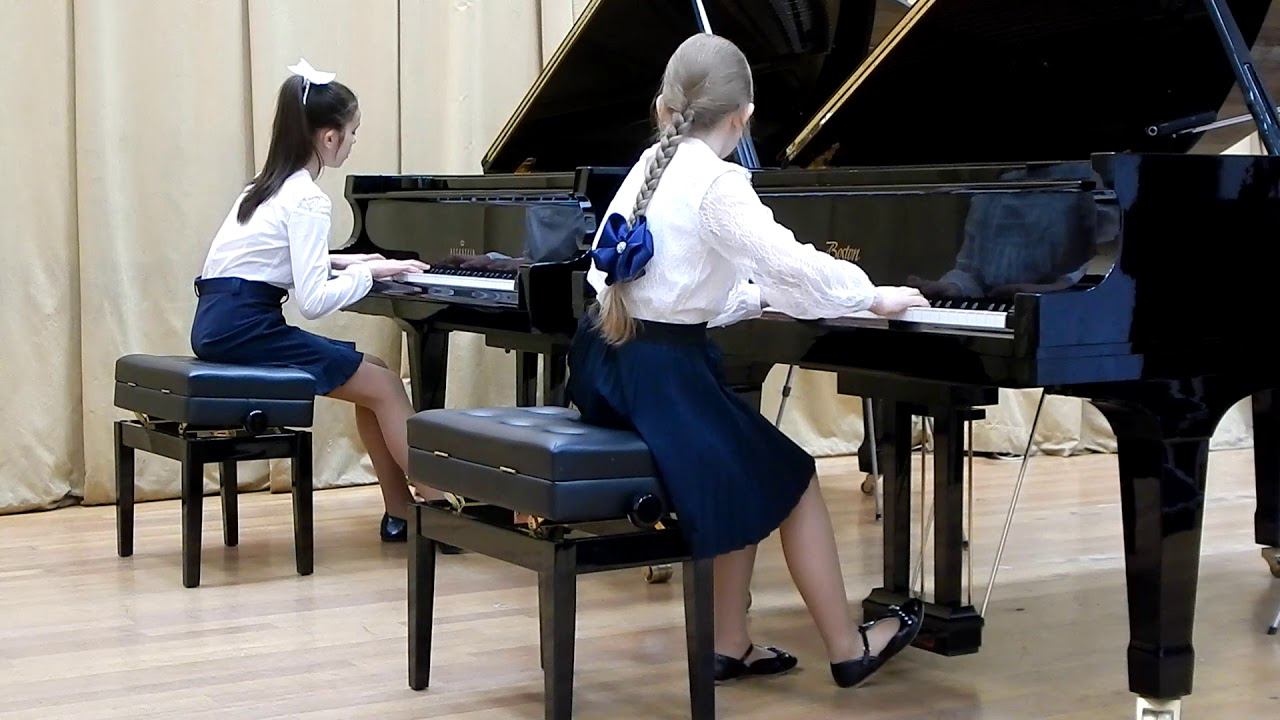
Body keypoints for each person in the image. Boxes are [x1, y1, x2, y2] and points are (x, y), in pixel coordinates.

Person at [566, 34, 929, 688]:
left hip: (606, 362)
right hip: (663, 376)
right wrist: (870, 295)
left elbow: (664, 282)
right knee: (794, 477)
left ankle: (729, 644)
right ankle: (848, 647)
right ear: (745, 116)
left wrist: (755, 299)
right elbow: (790, 263)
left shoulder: (653, 163)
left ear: (664, 108)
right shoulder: (718, 182)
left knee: (744, 470)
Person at [190, 59, 439, 543]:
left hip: (220, 322)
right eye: (352, 132)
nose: (353, 141)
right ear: (329, 137)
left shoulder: (263, 188)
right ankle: (440, 506)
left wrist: (350, 260)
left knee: (376, 372)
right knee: (387, 387)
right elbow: (313, 300)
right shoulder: (307, 199)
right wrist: (365, 274)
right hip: (247, 329)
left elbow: (270, 262)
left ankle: (399, 511)